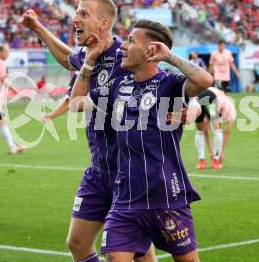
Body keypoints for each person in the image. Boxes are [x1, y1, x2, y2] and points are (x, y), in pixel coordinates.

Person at [22, 0, 157, 262]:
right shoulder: (88, 54)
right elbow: (67, 57)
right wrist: (37, 27)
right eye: (76, 12)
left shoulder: (126, 57)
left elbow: (159, 80)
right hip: (98, 170)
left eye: (84, 13)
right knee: (78, 244)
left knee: (130, 255)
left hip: (128, 173)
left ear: (104, 23)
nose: (75, 18)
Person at [70, 19, 212, 262]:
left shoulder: (168, 85)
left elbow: (204, 81)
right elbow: (75, 103)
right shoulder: (117, 87)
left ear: (150, 51)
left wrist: (169, 57)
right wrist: (89, 62)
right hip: (124, 200)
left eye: (131, 41)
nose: (123, 46)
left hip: (166, 197)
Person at [0, 43, 26, 155]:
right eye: (6, 52)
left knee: (0, 122)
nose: (8, 54)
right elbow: (3, 80)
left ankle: (12, 147)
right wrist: (16, 90)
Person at [193, 87, 236, 170]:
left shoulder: (219, 94)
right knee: (217, 130)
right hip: (210, 97)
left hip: (198, 97)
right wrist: (219, 153)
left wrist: (211, 152)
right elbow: (227, 132)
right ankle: (215, 161)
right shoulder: (230, 109)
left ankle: (202, 162)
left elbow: (206, 130)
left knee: (199, 131)